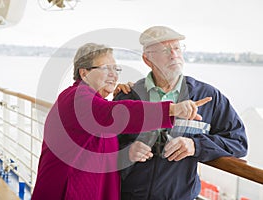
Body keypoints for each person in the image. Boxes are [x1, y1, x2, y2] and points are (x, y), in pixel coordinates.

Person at [31, 42, 211, 200]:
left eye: (115, 69)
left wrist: (127, 154)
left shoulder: (94, 103)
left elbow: (98, 146)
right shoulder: (76, 98)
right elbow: (116, 114)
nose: (114, 75)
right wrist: (172, 109)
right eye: (106, 68)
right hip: (67, 190)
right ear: (84, 73)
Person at [114, 26, 248, 200]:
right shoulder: (128, 96)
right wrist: (127, 152)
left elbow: (238, 143)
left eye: (177, 48)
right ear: (147, 59)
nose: (174, 54)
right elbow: (101, 148)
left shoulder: (209, 97)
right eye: (164, 50)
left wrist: (196, 145)